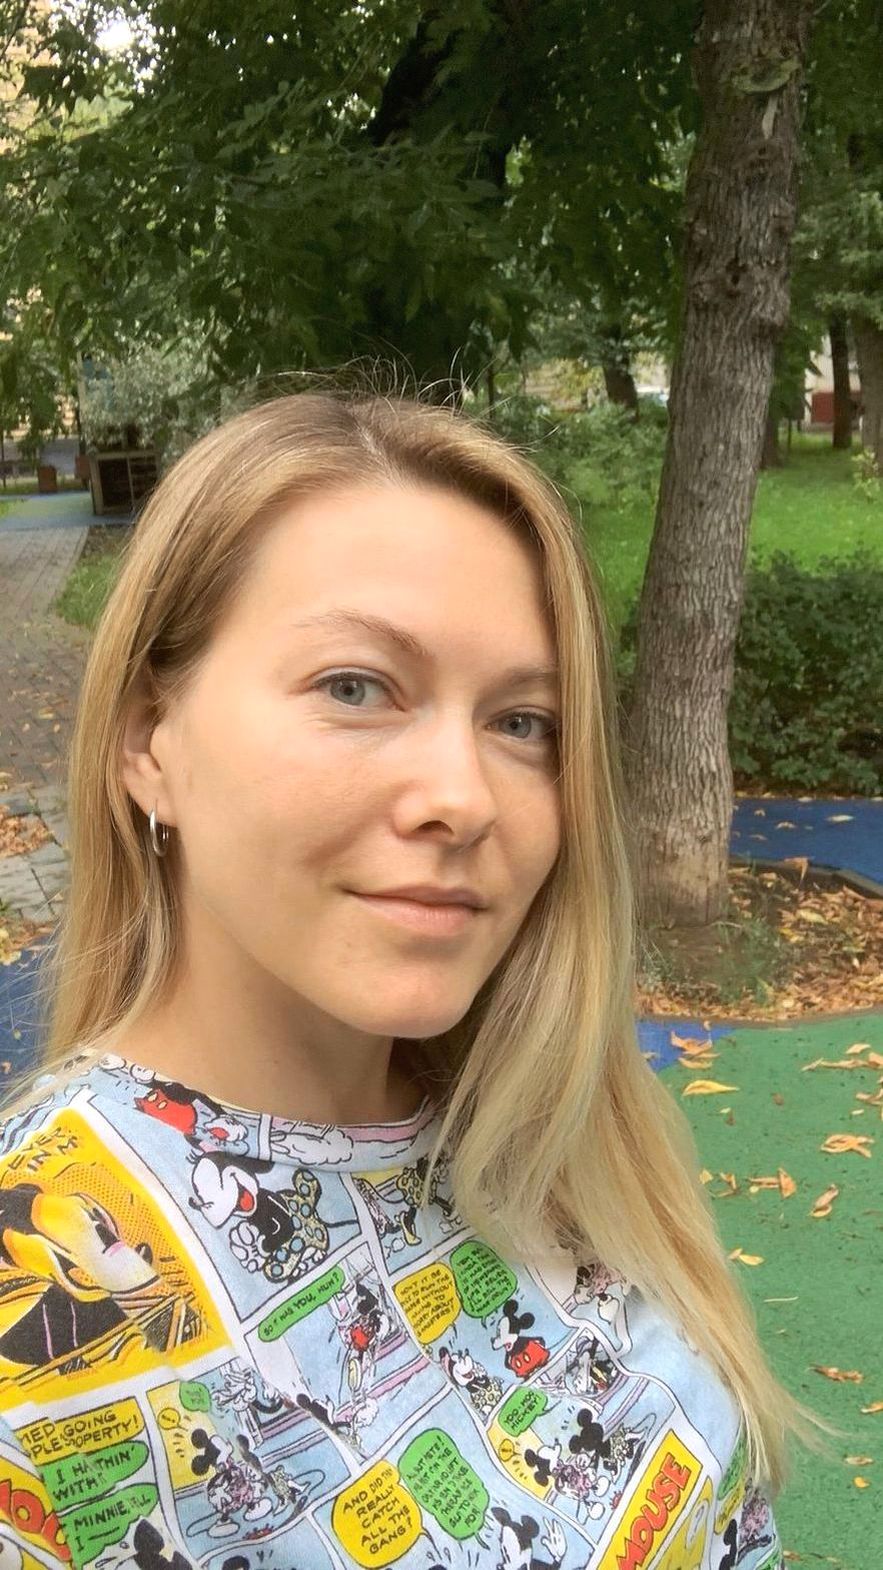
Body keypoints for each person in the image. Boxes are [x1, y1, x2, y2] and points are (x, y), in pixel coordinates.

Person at [0, 389, 836, 1570]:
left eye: (524, 721)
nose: (463, 796)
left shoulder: (554, 1130)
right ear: (149, 738)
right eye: (355, 686)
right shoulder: (33, 1336)